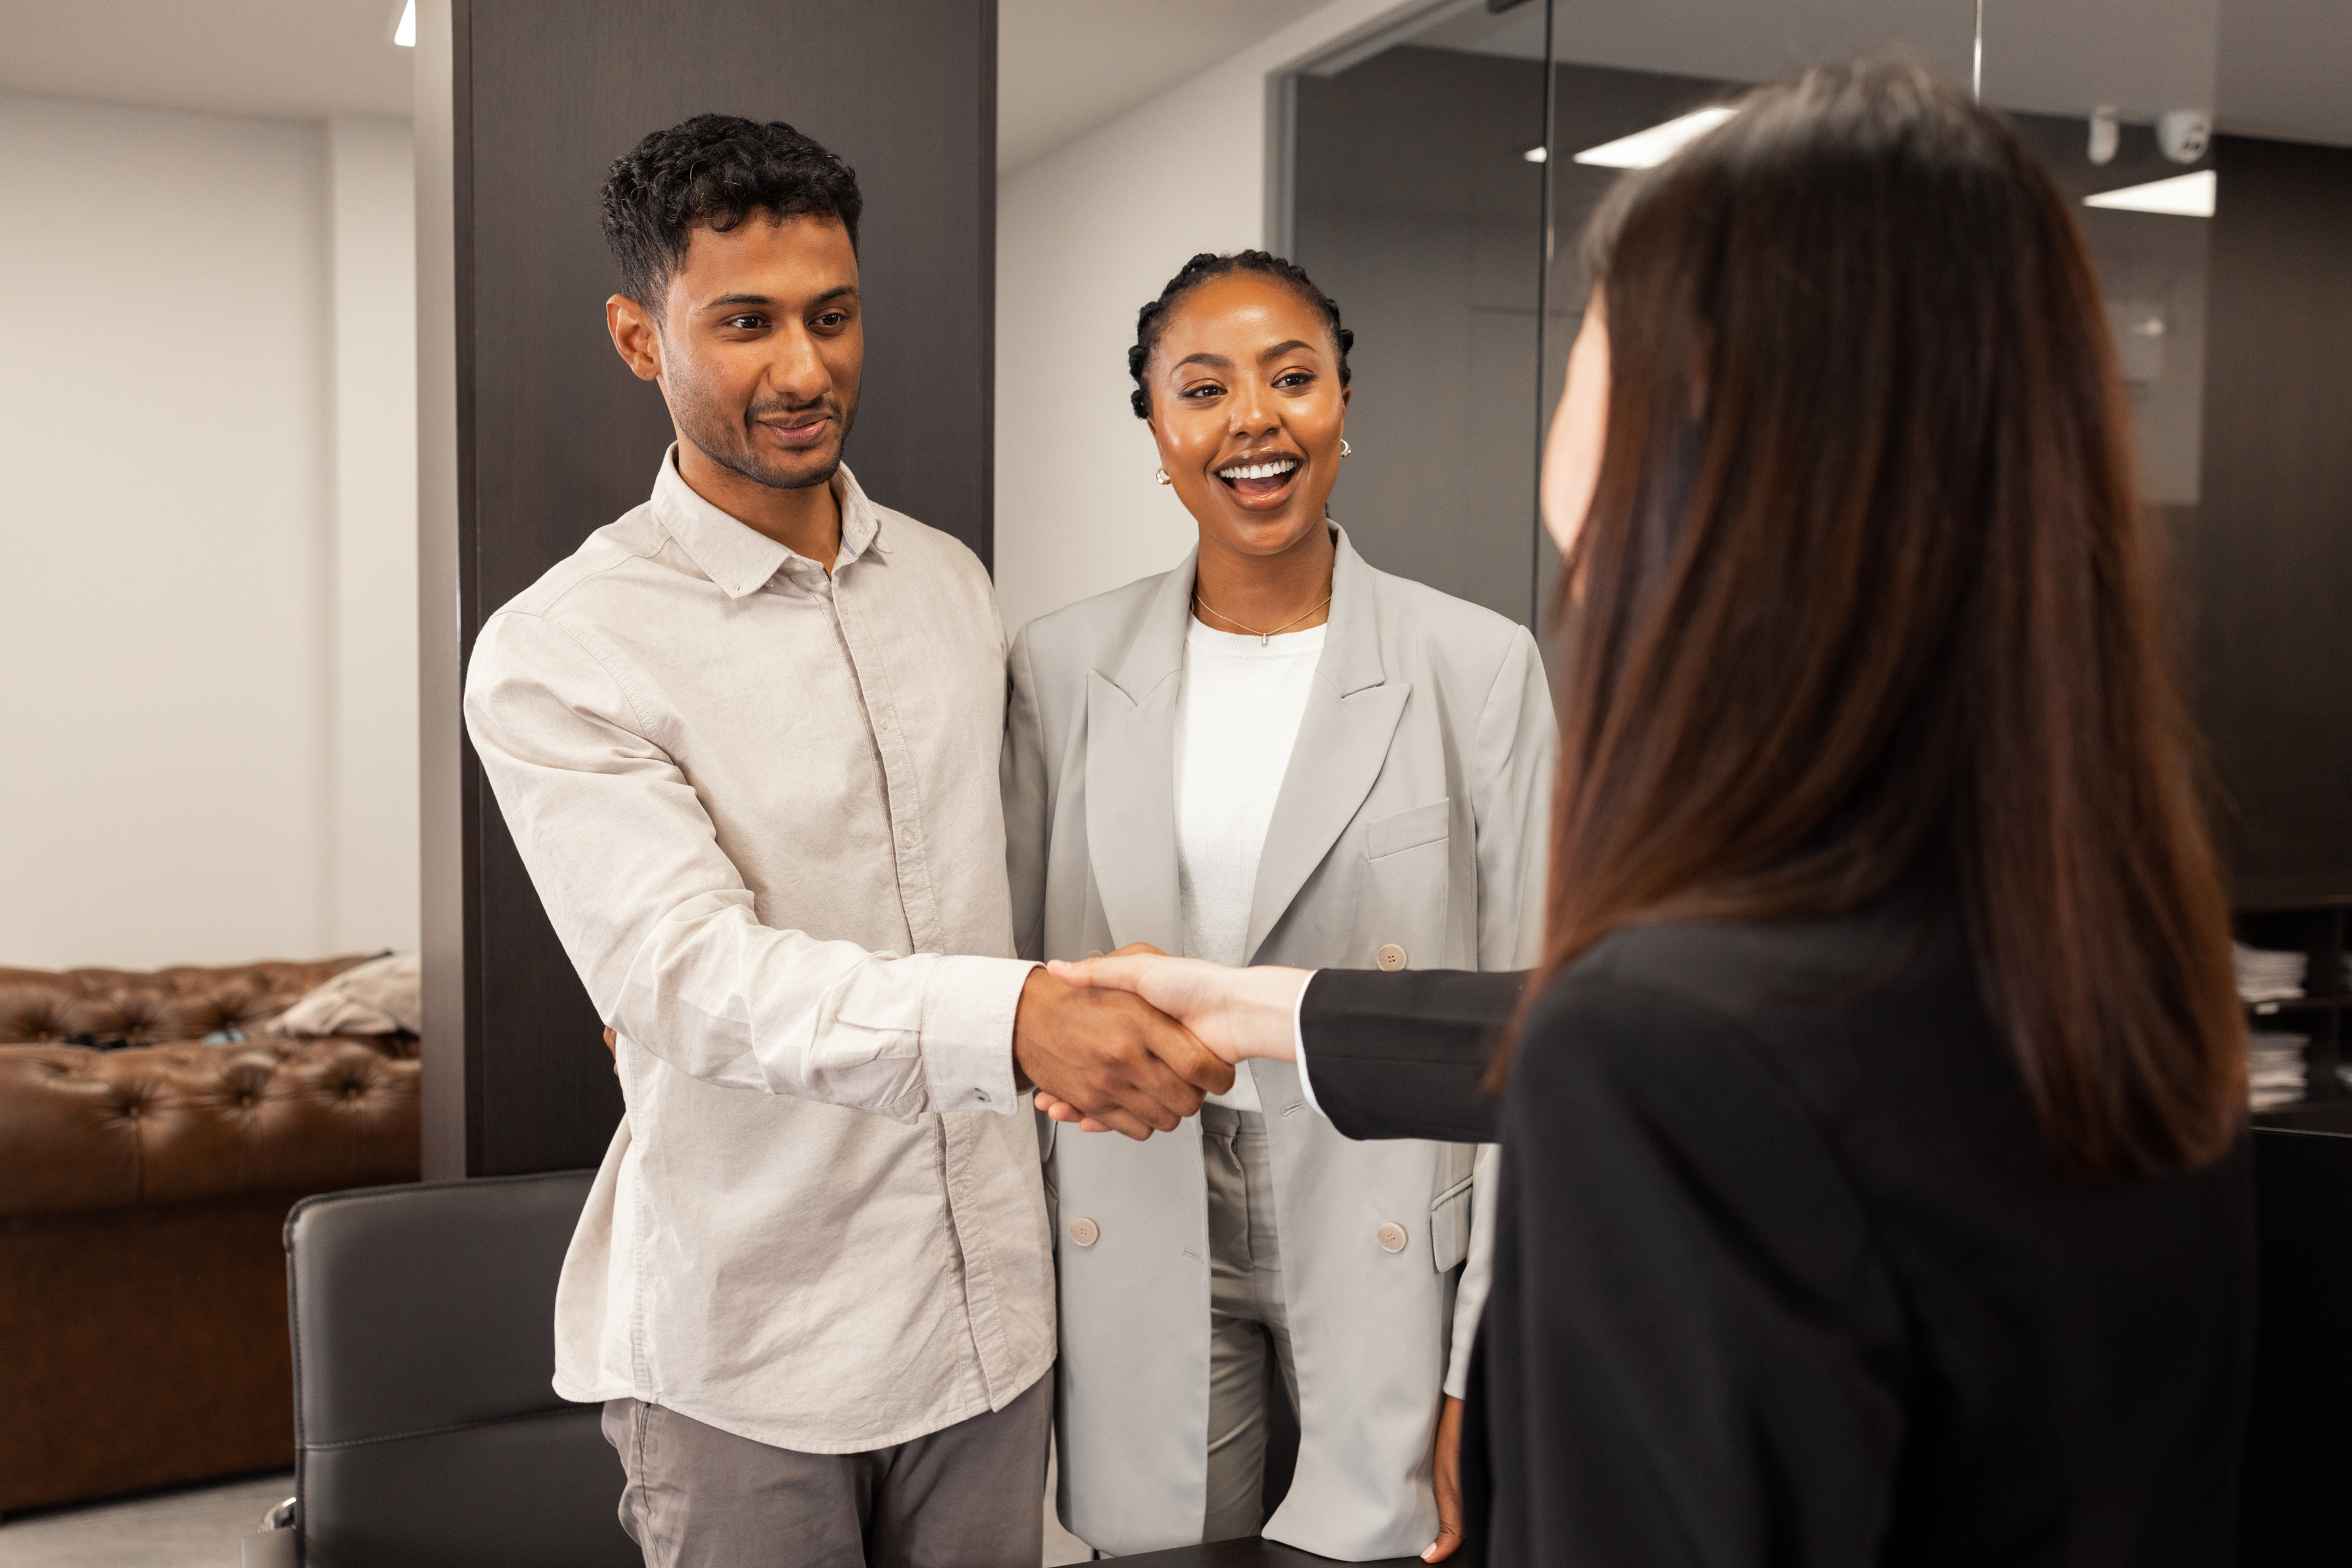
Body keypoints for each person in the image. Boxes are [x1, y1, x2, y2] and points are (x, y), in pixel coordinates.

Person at [1044, 62, 2254, 1567]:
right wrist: (1251, 1008)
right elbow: (1647, 1030)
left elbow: (1639, 1045)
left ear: (1704, 450)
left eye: (1593, 348)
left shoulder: (1666, 1047)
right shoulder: (2115, 964)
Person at [463, 115, 1229, 1568]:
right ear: (642, 337)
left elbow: (1003, 883)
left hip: (988, 1315)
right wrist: (1014, 1018)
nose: (803, 369)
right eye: (744, 323)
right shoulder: (560, 648)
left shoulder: (946, 582)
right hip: (754, 1341)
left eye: (832, 315)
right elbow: (687, 974)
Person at [1001, 251, 1552, 1562]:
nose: (1254, 418)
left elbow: (1536, 1024)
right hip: (1137, 1197)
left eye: (1292, 378)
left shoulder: (1474, 664)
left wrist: (1487, 1353)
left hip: (1387, 1207)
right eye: (1203, 389)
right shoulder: (1064, 667)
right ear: (1157, 432)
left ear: (1343, 408)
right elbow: (1011, 979)